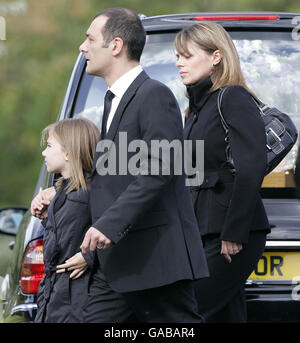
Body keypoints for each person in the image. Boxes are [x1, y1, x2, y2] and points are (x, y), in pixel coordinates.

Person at [32, 8, 209, 323]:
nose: (82, 47)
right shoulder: (114, 100)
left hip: (155, 262)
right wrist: (58, 192)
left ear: (115, 46)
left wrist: (106, 226)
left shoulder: (154, 95)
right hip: (119, 262)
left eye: (89, 39)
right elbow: (112, 176)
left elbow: (160, 169)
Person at [174, 22, 271, 322]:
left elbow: (252, 166)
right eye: (177, 56)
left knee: (185, 312)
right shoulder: (194, 111)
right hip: (203, 232)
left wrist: (235, 231)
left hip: (231, 233)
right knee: (225, 316)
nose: (179, 62)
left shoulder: (232, 98)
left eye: (187, 56)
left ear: (216, 56)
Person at [34, 118, 99, 323]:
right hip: (57, 297)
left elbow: (63, 247)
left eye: (50, 146)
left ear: (69, 152)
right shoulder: (65, 194)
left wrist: (90, 256)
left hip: (72, 302)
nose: (44, 152)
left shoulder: (84, 198)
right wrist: (48, 218)